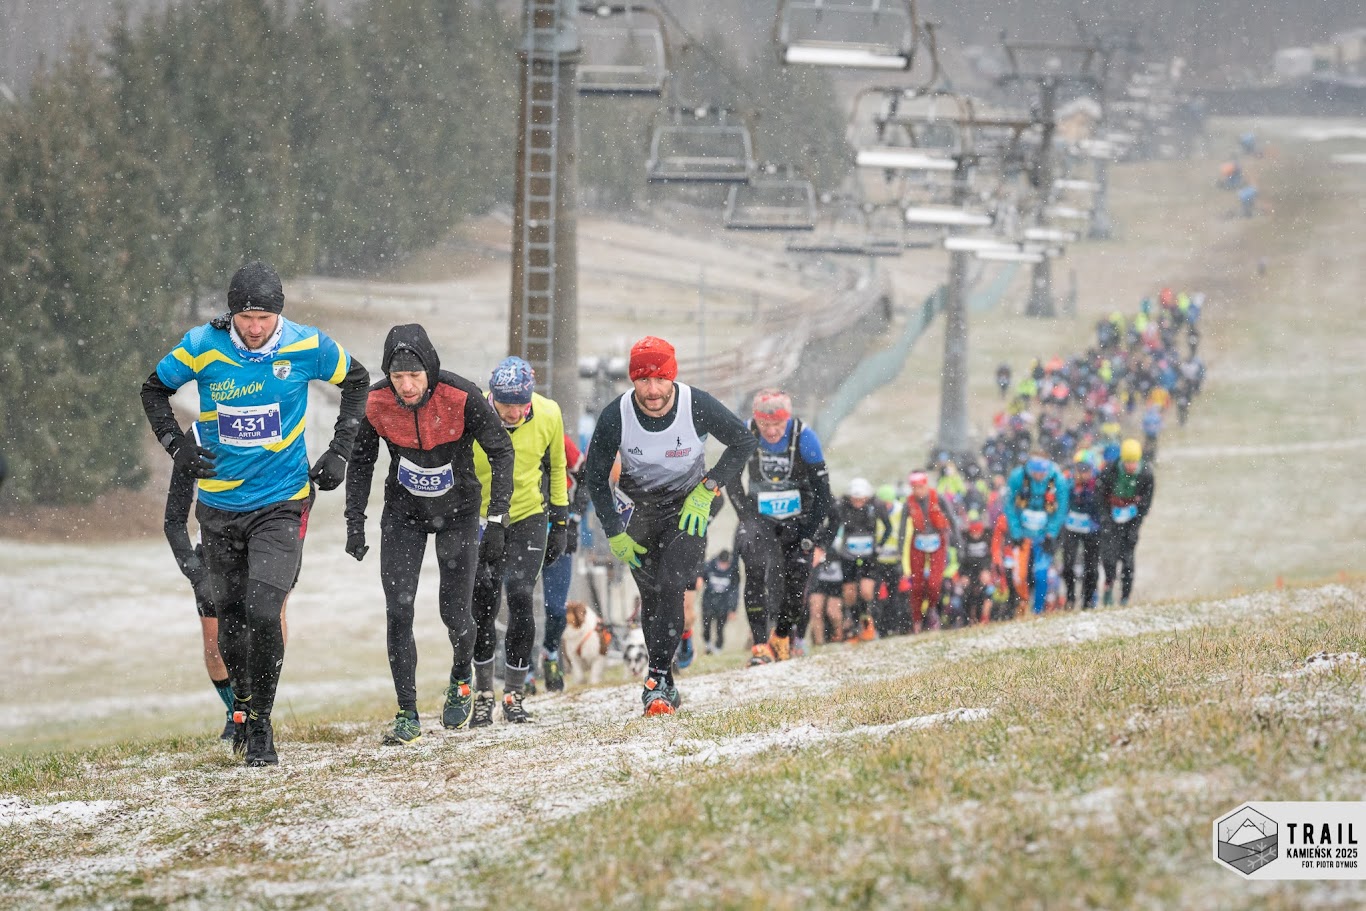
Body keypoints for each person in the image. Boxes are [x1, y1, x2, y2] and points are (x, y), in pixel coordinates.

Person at [141, 261, 369, 766]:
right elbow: (153, 389)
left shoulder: (307, 346)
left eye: (264, 317)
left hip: (281, 504)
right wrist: (176, 446)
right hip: (219, 509)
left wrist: (340, 450)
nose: (254, 327)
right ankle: (241, 703)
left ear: (278, 315)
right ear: (232, 314)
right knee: (230, 627)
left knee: (266, 611)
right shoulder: (203, 344)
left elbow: (357, 379)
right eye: (245, 317)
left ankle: (261, 722)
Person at [344, 325, 514, 744]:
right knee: (399, 609)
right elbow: (361, 461)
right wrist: (354, 520)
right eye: (398, 377)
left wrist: (496, 519)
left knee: (454, 614)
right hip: (403, 515)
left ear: (430, 370)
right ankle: (407, 712)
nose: (407, 386)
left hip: (457, 514)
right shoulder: (377, 402)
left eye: (415, 376)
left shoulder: (461, 396)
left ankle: (460, 677)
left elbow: (501, 450)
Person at [583, 336, 756, 715]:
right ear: (632, 381)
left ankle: (657, 677)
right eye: (643, 380)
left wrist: (709, 486)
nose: (653, 390)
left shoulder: (696, 405)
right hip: (638, 514)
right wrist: (613, 531)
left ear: (672, 377)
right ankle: (665, 681)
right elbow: (594, 477)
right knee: (653, 597)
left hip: (687, 509)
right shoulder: (617, 415)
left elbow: (743, 441)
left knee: (672, 584)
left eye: (660, 379)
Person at [164, 441, 294, 740]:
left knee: (268, 622)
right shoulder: (198, 438)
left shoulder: (275, 430)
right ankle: (234, 709)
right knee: (215, 642)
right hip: (216, 546)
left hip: (270, 540)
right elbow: (173, 521)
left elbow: (303, 492)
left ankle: (261, 709)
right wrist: (196, 575)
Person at [468, 357, 568, 725]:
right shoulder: (475, 409)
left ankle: (514, 692)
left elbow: (556, 466)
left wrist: (560, 520)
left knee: (522, 595)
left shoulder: (548, 413)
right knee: (484, 601)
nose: (512, 412)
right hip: (481, 517)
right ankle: (482, 694)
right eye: (505, 404)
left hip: (528, 514)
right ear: (492, 395)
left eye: (519, 404)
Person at [732, 389, 832, 665]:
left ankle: (783, 635)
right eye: (765, 425)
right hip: (760, 516)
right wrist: (746, 515)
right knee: (753, 567)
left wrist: (811, 533)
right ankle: (760, 644)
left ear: (787, 419)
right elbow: (730, 479)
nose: (771, 431)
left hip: (799, 516)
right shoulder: (746, 433)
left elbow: (824, 492)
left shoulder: (804, 436)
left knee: (797, 579)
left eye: (778, 425)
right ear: (756, 419)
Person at [540, 432, 589, 693]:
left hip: (559, 529)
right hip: (520, 530)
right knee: (519, 601)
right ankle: (522, 672)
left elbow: (586, 477)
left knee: (557, 610)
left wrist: (575, 518)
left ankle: (549, 654)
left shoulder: (555, 437)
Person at [819, 477, 890, 643]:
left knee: (866, 591)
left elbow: (888, 527)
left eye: (861, 499)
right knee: (849, 593)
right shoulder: (842, 508)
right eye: (854, 499)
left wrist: (879, 546)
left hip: (869, 557)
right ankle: (852, 623)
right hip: (847, 556)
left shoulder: (875, 507)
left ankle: (867, 622)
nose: (857, 502)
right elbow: (833, 527)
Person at [1004, 451, 1071, 616]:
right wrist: (1016, 531)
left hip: (1045, 534)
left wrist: (1051, 533)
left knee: (1041, 573)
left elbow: (1061, 509)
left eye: (1042, 473)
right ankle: (1021, 609)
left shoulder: (1057, 480)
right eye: (1035, 473)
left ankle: (1038, 611)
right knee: (1019, 575)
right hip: (1022, 533)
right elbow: (1009, 505)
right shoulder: (1018, 477)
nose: (1039, 476)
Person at [1097, 438, 1156, 607]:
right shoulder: (1110, 471)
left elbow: (1146, 503)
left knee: (1128, 559)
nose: (1130, 466)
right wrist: (1106, 519)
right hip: (1111, 518)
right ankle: (1108, 587)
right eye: (1127, 462)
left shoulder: (1146, 474)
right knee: (1109, 557)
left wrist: (1135, 524)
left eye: (1134, 462)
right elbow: (1100, 496)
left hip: (1131, 519)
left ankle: (1125, 597)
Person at [899, 470, 957, 634]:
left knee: (934, 583)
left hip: (937, 541)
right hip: (918, 543)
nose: (918, 491)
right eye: (915, 488)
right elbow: (903, 529)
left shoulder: (939, 499)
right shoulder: (908, 503)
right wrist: (899, 550)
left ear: (926, 485)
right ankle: (917, 619)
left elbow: (952, 520)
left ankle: (932, 609)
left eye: (921, 487)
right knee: (916, 585)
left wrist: (958, 544)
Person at [1059, 450, 1103, 610]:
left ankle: (1088, 600)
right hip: (1072, 527)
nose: (1082, 473)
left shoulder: (1099, 482)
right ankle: (1070, 597)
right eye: (1079, 468)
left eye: (1086, 469)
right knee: (1068, 565)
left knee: (1091, 568)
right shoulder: (1068, 480)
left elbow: (1102, 507)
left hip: (1093, 529)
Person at [698, 549, 740, 654]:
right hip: (708, 602)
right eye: (722, 563)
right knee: (706, 626)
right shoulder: (709, 566)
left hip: (724, 605)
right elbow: (700, 577)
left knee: (720, 629)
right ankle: (707, 645)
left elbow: (735, 591)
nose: (723, 566)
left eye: (726, 564)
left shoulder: (733, 570)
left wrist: (733, 609)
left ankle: (718, 648)